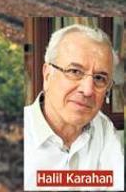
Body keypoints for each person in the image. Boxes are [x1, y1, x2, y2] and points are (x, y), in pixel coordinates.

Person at [24, 24, 124, 191]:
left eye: (99, 78)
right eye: (75, 71)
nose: (87, 90)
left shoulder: (103, 127)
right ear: (47, 75)